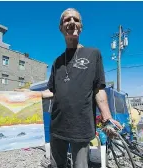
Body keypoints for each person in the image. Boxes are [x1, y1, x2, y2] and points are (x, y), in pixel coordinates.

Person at [41, 8, 123, 168]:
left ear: (81, 27)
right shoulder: (56, 62)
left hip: (82, 127)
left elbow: (99, 89)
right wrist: (27, 95)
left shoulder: (93, 54)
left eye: (76, 20)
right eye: (67, 20)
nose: (72, 22)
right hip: (57, 127)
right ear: (61, 27)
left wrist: (107, 119)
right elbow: (52, 91)